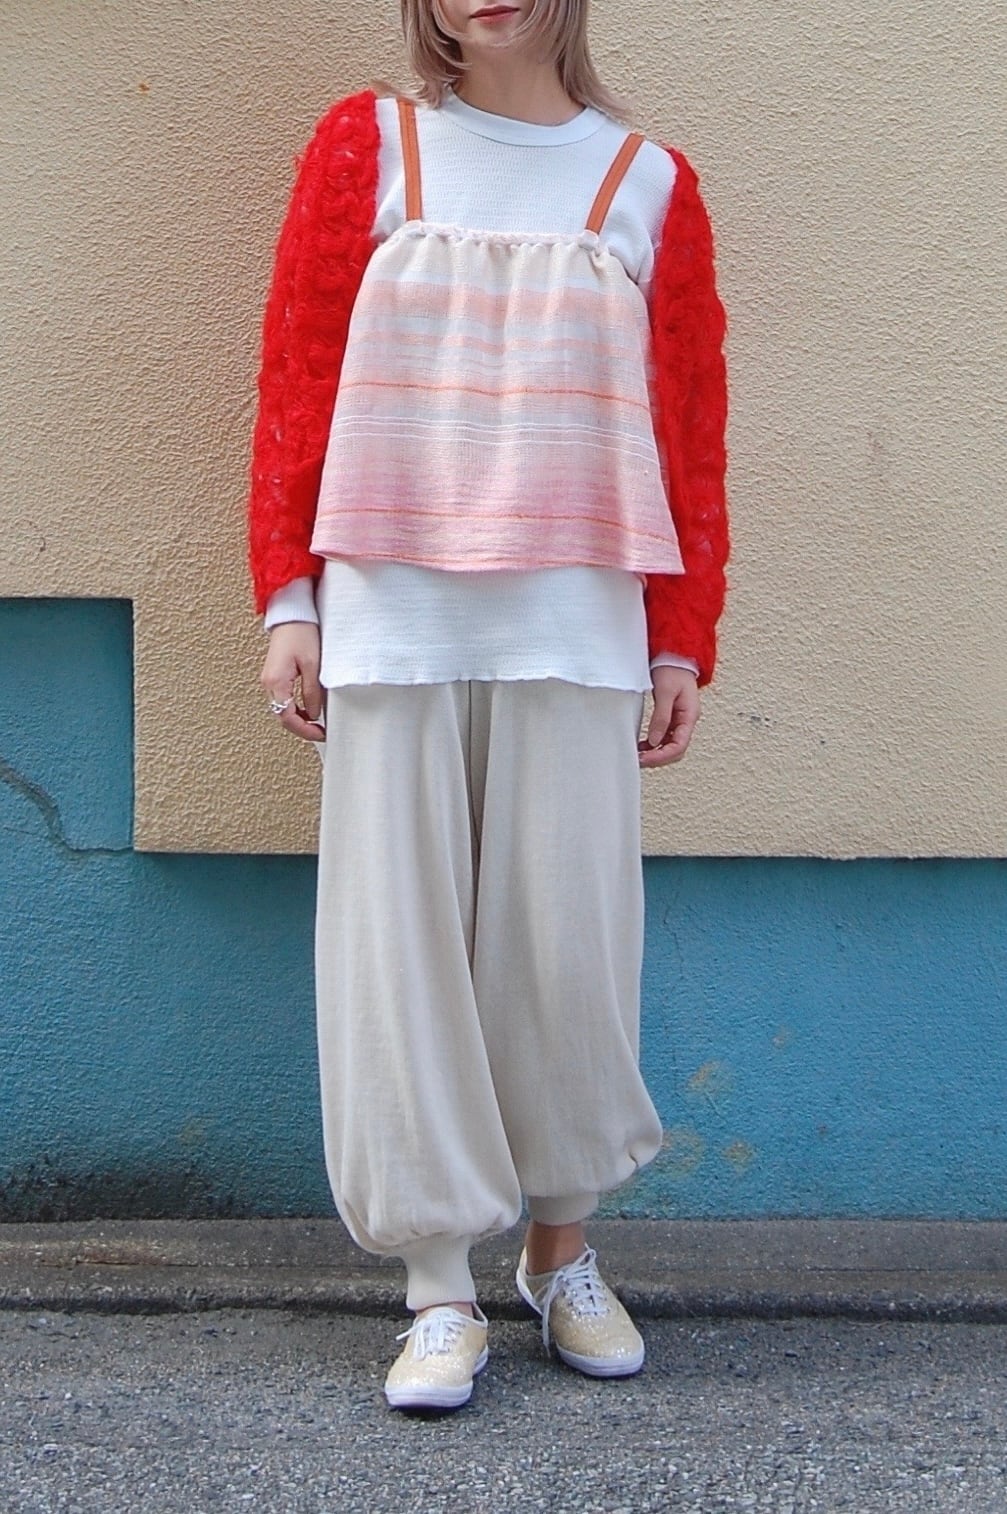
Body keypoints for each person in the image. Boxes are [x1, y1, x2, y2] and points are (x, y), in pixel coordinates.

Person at [248, 0, 728, 1413]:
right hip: (392, 616)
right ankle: (437, 1288)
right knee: (399, 953)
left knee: (567, 951)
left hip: (577, 624)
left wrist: (680, 635)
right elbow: (297, 376)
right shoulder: (370, 147)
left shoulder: (648, 183)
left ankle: (561, 1253)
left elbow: (689, 427)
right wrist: (289, 599)